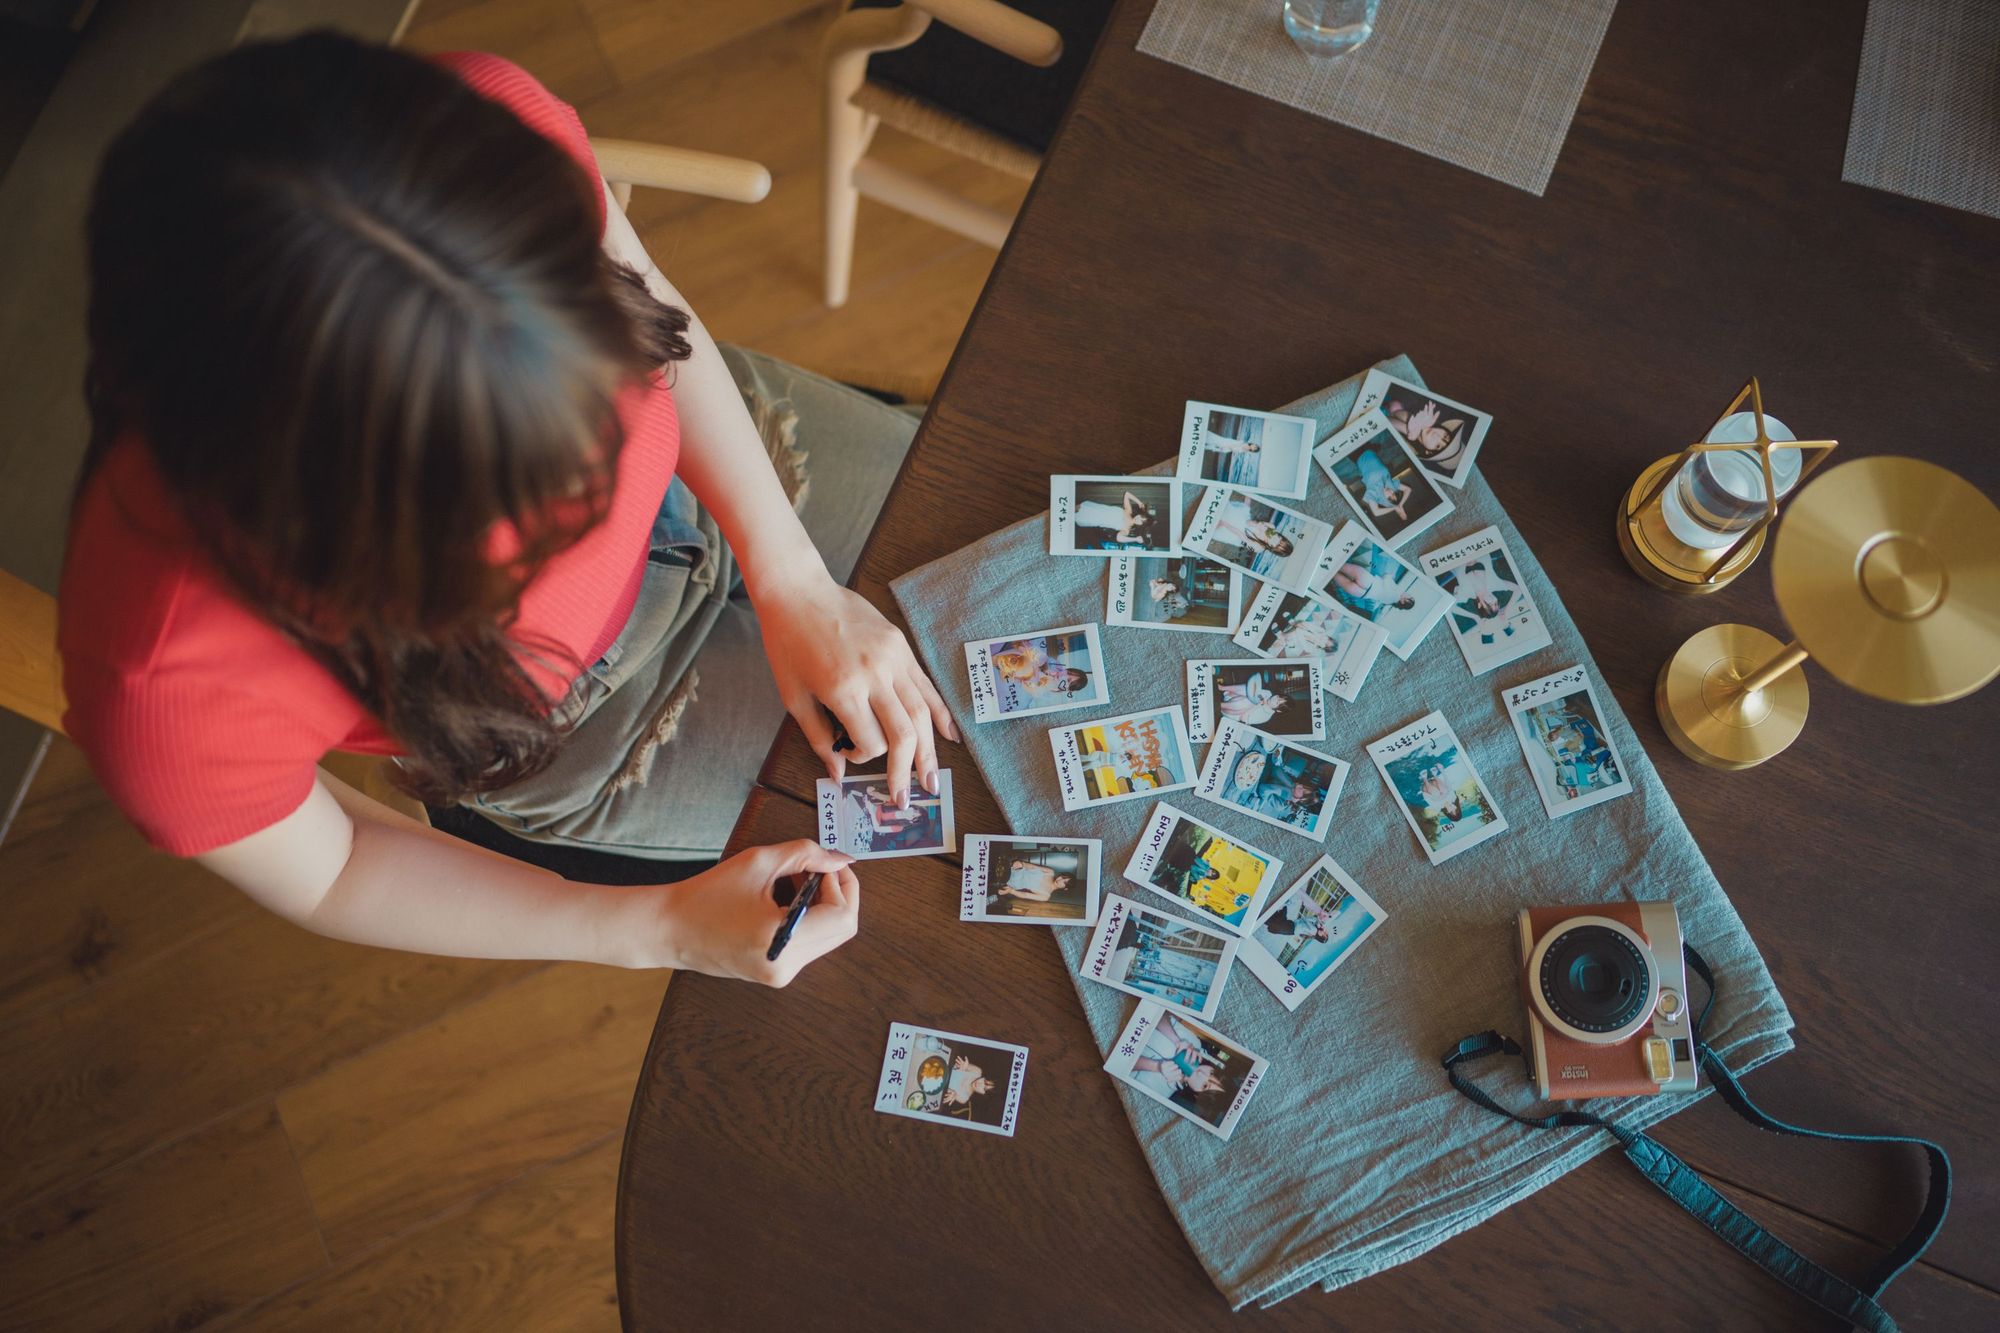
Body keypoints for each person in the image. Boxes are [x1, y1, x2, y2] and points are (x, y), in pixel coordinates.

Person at [58, 37, 962, 988]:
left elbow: (653, 302)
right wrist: (659, 928)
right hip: (577, 722)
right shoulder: (163, 684)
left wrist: (792, 575)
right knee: (941, 850)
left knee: (988, 533)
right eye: (532, 501)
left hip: (722, 453)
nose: (601, 489)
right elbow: (336, 868)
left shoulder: (466, 133)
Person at [1385, 395, 1468, 475]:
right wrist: (1415, 422)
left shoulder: (1406, 450)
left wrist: (1406, 430)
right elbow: (1394, 411)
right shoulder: (1425, 417)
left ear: (1428, 452)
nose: (1436, 436)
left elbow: (1385, 419)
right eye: (1445, 436)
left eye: (1438, 446)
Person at [1073, 489, 1163, 550]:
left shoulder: (1126, 530)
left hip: (1093, 519)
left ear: (1140, 525)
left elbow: (1119, 538)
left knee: (1072, 517)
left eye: (1141, 521)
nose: (1138, 518)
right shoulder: (1128, 511)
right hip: (1096, 508)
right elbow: (1127, 494)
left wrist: (1135, 539)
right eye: (1141, 516)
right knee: (1076, 507)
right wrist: (1139, 502)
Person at [1354, 446, 1413, 522]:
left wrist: (1394, 508)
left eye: (1389, 497)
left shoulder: (1374, 494)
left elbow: (1376, 512)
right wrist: (1400, 505)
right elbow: (1408, 489)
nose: (1390, 492)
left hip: (1358, 455)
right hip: (1370, 450)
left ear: (1383, 500)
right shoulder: (1392, 486)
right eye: (1393, 494)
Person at [994, 858, 1071, 904]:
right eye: (1062, 877)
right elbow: (1033, 867)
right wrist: (1022, 863)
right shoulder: (1050, 872)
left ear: (1065, 888)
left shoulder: (1045, 896)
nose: (1060, 880)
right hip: (1013, 868)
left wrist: (1011, 891)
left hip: (1008, 882)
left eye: (1064, 882)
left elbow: (1025, 895)